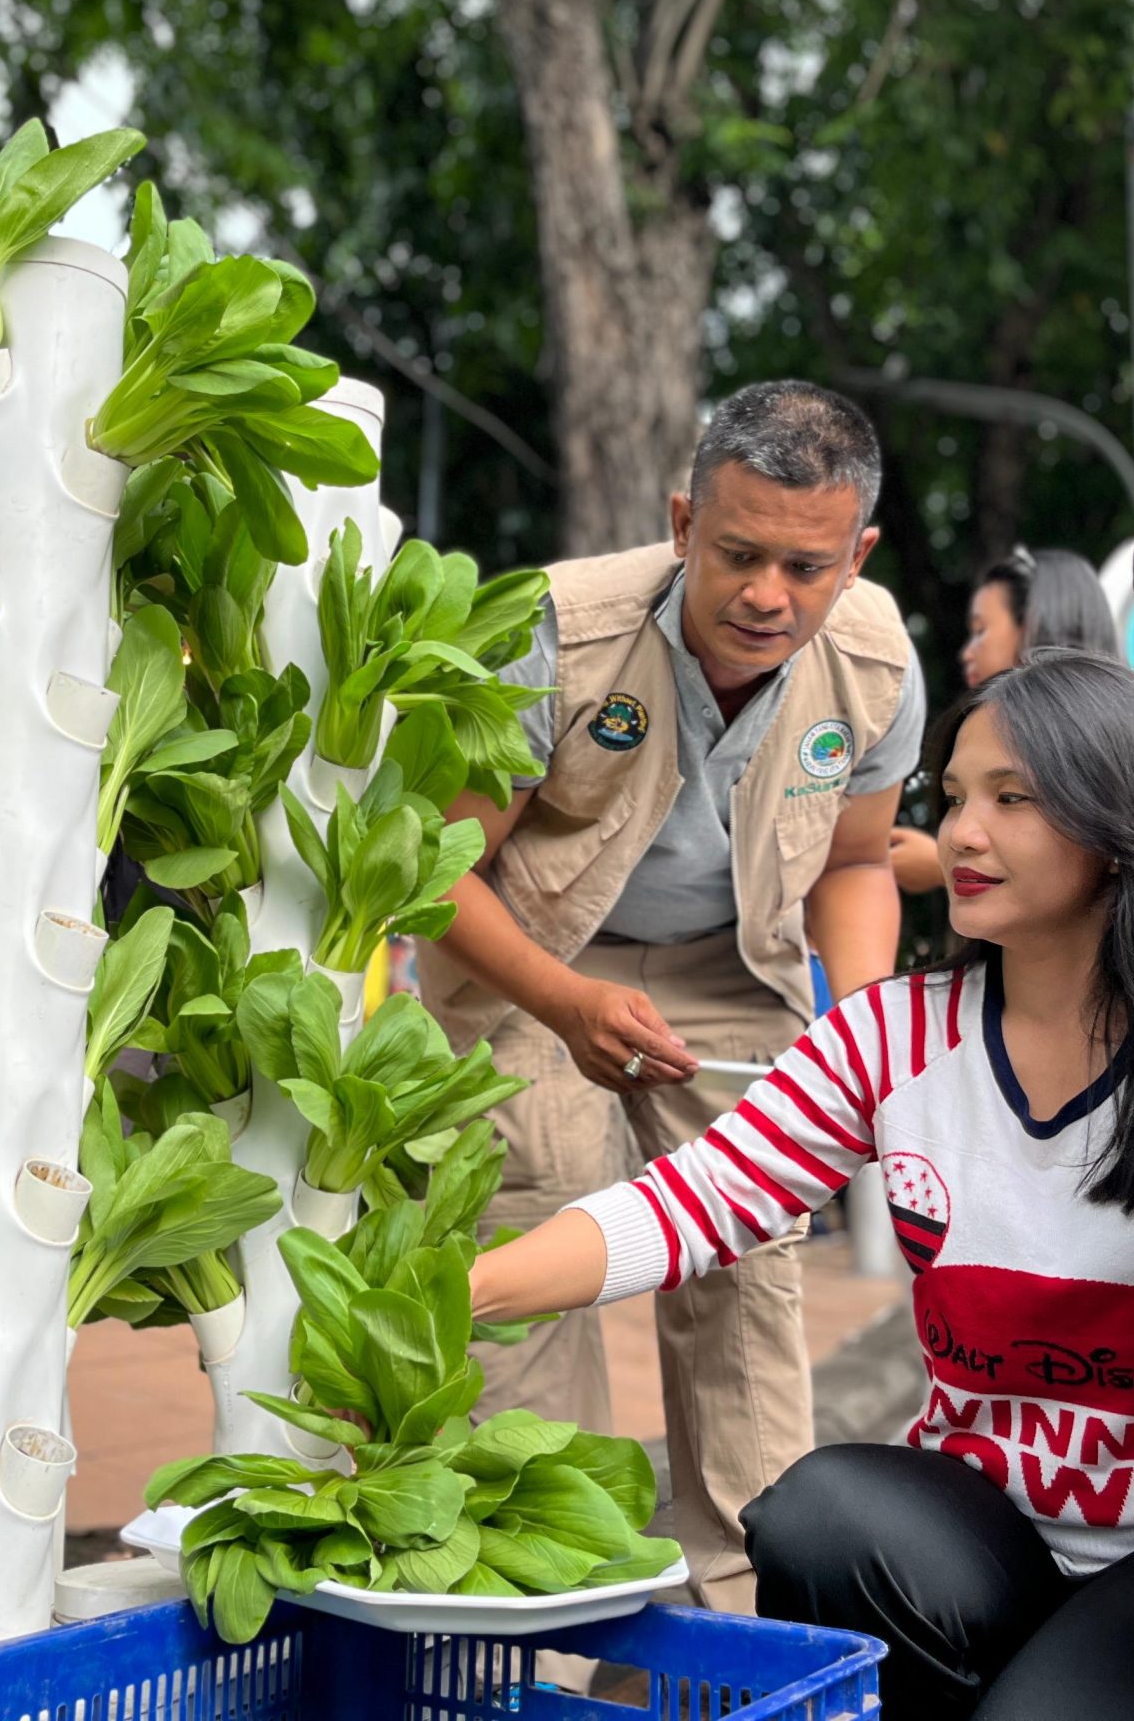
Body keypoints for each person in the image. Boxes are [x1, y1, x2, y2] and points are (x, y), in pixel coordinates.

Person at [469, 651, 1134, 1719]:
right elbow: (688, 1203)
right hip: (985, 1526)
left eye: (1012, 800)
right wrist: (454, 1294)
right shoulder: (893, 1034)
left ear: (1117, 829)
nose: (960, 835)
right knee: (815, 1513)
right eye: (957, 797)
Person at [419, 380, 920, 1611]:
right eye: (738, 553)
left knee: (750, 1265)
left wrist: (864, 1030)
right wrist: (567, 1006)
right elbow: (436, 873)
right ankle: (545, 1587)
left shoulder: (873, 656)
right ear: (683, 518)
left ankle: (750, 1600)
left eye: (806, 567)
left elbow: (857, 864)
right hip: (533, 961)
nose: (767, 595)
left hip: (730, 971)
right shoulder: (553, 630)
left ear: (855, 554)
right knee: (530, 1218)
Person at [893, 546, 1120, 895]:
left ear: (1036, 625)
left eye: (1010, 798)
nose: (968, 652)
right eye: (956, 799)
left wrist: (942, 867)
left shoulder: (1113, 747)